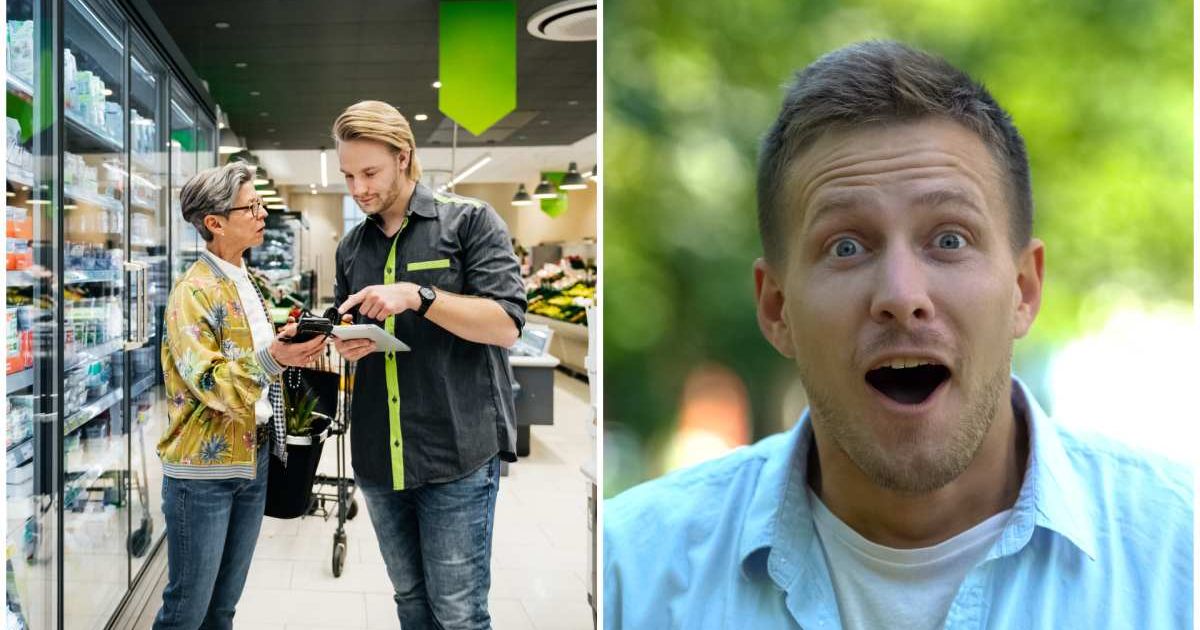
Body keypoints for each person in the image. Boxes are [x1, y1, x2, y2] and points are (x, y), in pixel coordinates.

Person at [604, 41, 1193, 629]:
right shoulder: (623, 576)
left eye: (950, 239)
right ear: (777, 307)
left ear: (1024, 290)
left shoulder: (1179, 554)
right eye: (846, 246)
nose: (901, 297)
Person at [329, 100, 526, 628]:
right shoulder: (350, 248)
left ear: (404, 157)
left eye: (369, 172)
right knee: (411, 604)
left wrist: (419, 296)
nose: (358, 189)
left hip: (455, 452)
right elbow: (348, 327)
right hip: (378, 456)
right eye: (348, 175)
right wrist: (345, 344)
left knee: (458, 614)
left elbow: (506, 324)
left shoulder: (470, 223)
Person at [154, 162, 328, 629]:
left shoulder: (242, 279)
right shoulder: (193, 291)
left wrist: (286, 345)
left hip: (252, 461)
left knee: (223, 607)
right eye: (250, 205)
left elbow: (251, 358)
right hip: (202, 474)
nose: (262, 212)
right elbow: (209, 381)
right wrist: (274, 356)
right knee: (186, 610)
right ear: (214, 222)